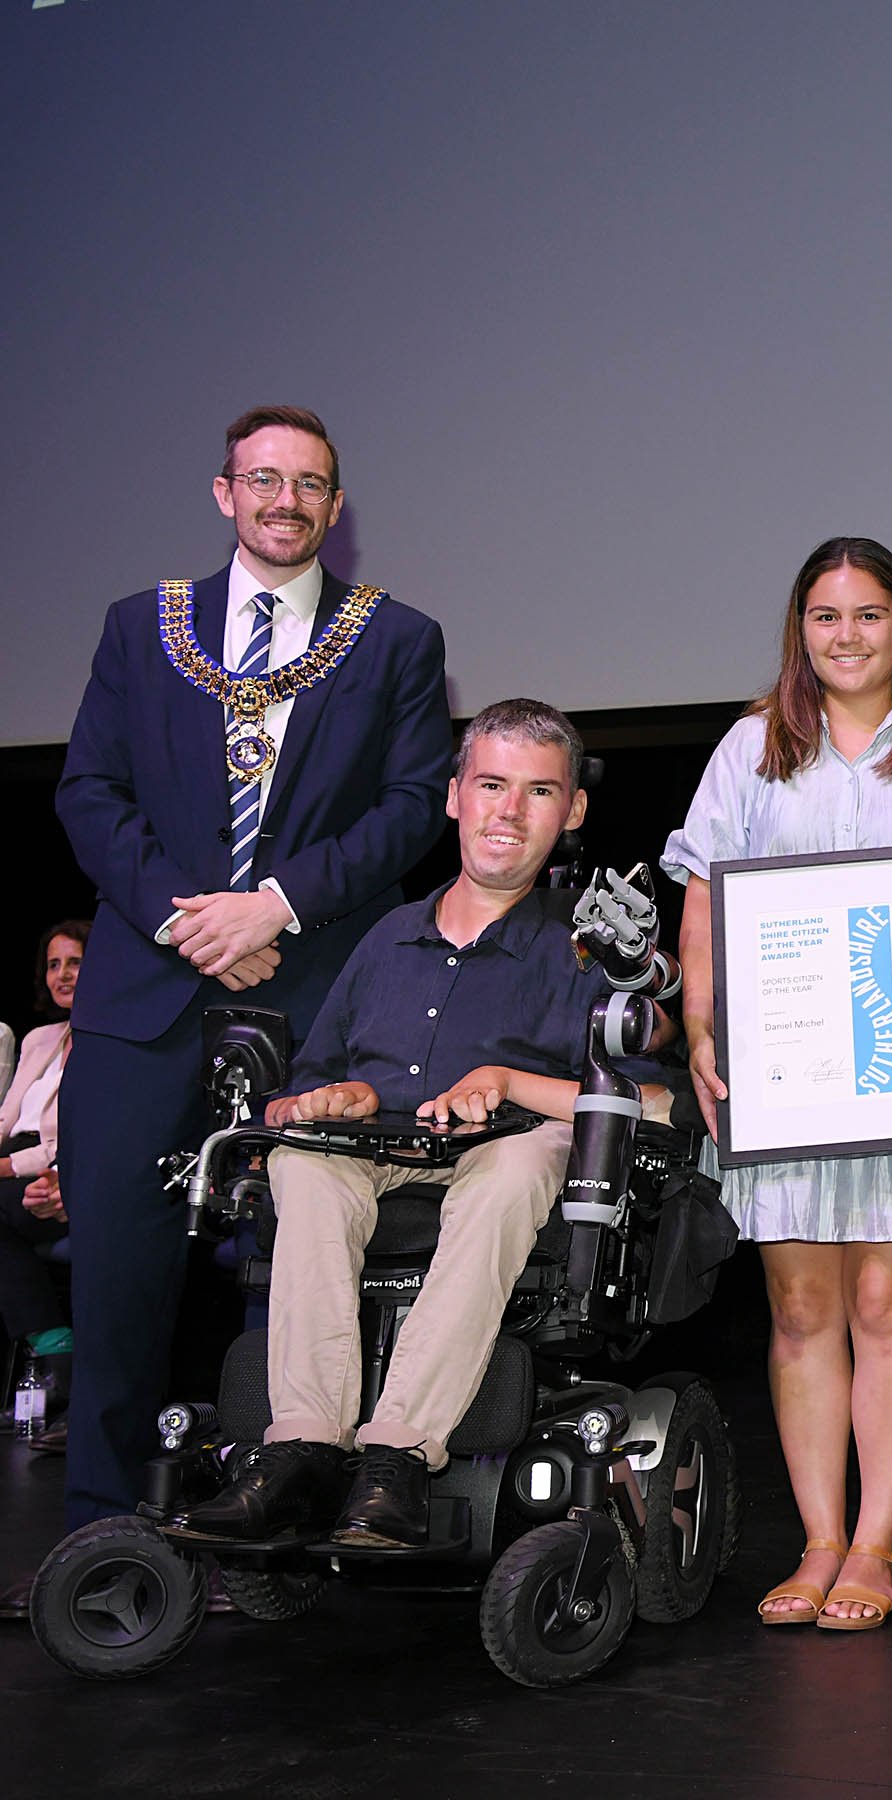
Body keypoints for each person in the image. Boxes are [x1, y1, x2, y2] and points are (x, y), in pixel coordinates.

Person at [53, 406, 454, 1532]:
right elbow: (88, 791)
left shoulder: (396, 640)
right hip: (145, 992)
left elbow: (413, 806)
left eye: (311, 484)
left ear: (335, 505)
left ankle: (265, 1519)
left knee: (298, 1269)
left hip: (314, 994)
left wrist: (274, 904)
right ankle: (103, 1530)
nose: (287, 501)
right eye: (264, 479)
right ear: (224, 493)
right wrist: (192, 921)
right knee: (120, 1268)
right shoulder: (141, 629)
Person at [170, 701, 663, 1548]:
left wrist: (510, 1083)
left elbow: (652, 1103)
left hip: (506, 1161)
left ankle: (396, 1456)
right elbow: (314, 1085)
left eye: (539, 791)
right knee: (301, 1162)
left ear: (573, 810)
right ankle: (302, 1450)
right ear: (453, 797)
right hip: (381, 1156)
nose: (509, 811)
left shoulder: (595, 944)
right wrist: (334, 1099)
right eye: (491, 785)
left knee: (518, 1163)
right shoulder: (387, 939)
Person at [668, 537, 892, 1632]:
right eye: (826, 616)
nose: (846, 635)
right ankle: (817, 1537)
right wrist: (699, 1025)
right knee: (798, 1306)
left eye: (869, 615)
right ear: (802, 631)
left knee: (886, 1302)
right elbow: (700, 898)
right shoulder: (751, 748)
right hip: (781, 1063)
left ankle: (877, 1544)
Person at [0, 924, 89, 1441]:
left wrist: (10, 1168)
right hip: (13, 1162)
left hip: (52, 1168)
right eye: (53, 965)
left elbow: (64, 1141)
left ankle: (54, 1349)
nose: (62, 975)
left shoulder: (105, 1040)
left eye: (74, 962)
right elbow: (7, 1119)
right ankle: (54, 1353)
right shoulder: (39, 1038)